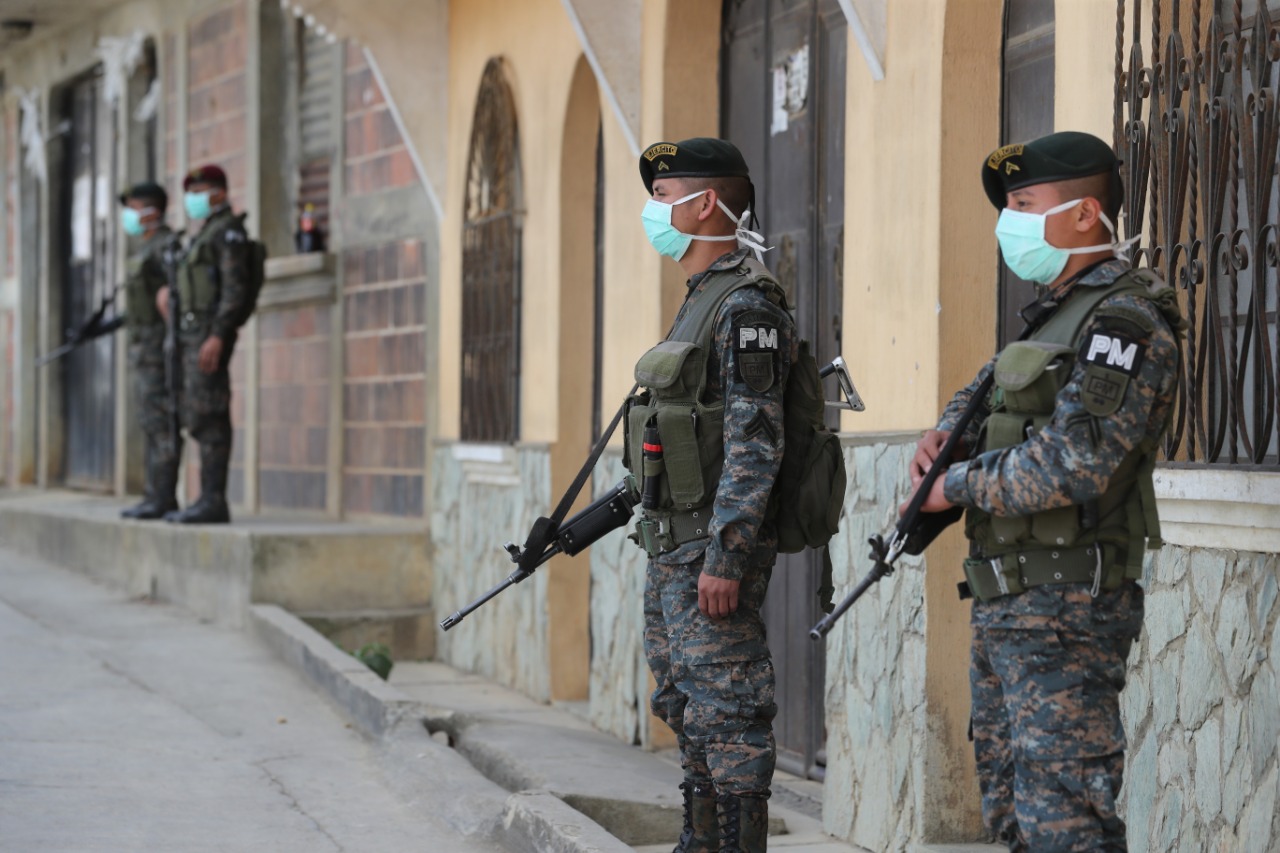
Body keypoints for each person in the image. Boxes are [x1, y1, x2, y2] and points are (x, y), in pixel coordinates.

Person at [905, 131, 1183, 851]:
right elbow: (984, 396)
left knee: (1065, 821)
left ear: (1086, 214)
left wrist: (953, 484)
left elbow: (1072, 464)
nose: (1011, 223)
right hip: (1011, 601)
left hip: (1068, 609)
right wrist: (943, 438)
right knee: (1014, 816)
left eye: (1025, 205)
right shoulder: (1055, 315)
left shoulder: (1122, 323)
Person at [628, 137, 792, 853]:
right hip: (674, 543)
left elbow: (757, 443)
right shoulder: (699, 300)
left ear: (703, 205)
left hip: (709, 549)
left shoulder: (746, 307)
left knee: (729, 708)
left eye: (664, 197)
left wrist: (728, 555)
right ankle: (700, 841)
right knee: (684, 698)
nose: (653, 210)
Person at [157, 164, 252, 524]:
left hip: (208, 337)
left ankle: (214, 500)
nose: (193, 200)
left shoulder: (227, 232)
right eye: (191, 193)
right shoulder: (206, 233)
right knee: (196, 414)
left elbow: (234, 289)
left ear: (220, 193)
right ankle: (205, 497)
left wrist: (218, 334)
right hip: (191, 336)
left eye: (200, 192)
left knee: (210, 416)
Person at [118, 182, 181, 520]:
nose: (128, 216)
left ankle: (163, 496)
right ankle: (153, 494)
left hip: (160, 351)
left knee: (161, 424)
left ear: (151, 212)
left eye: (133, 208)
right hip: (144, 349)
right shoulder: (146, 248)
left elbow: (177, 295)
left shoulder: (166, 247)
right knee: (149, 421)